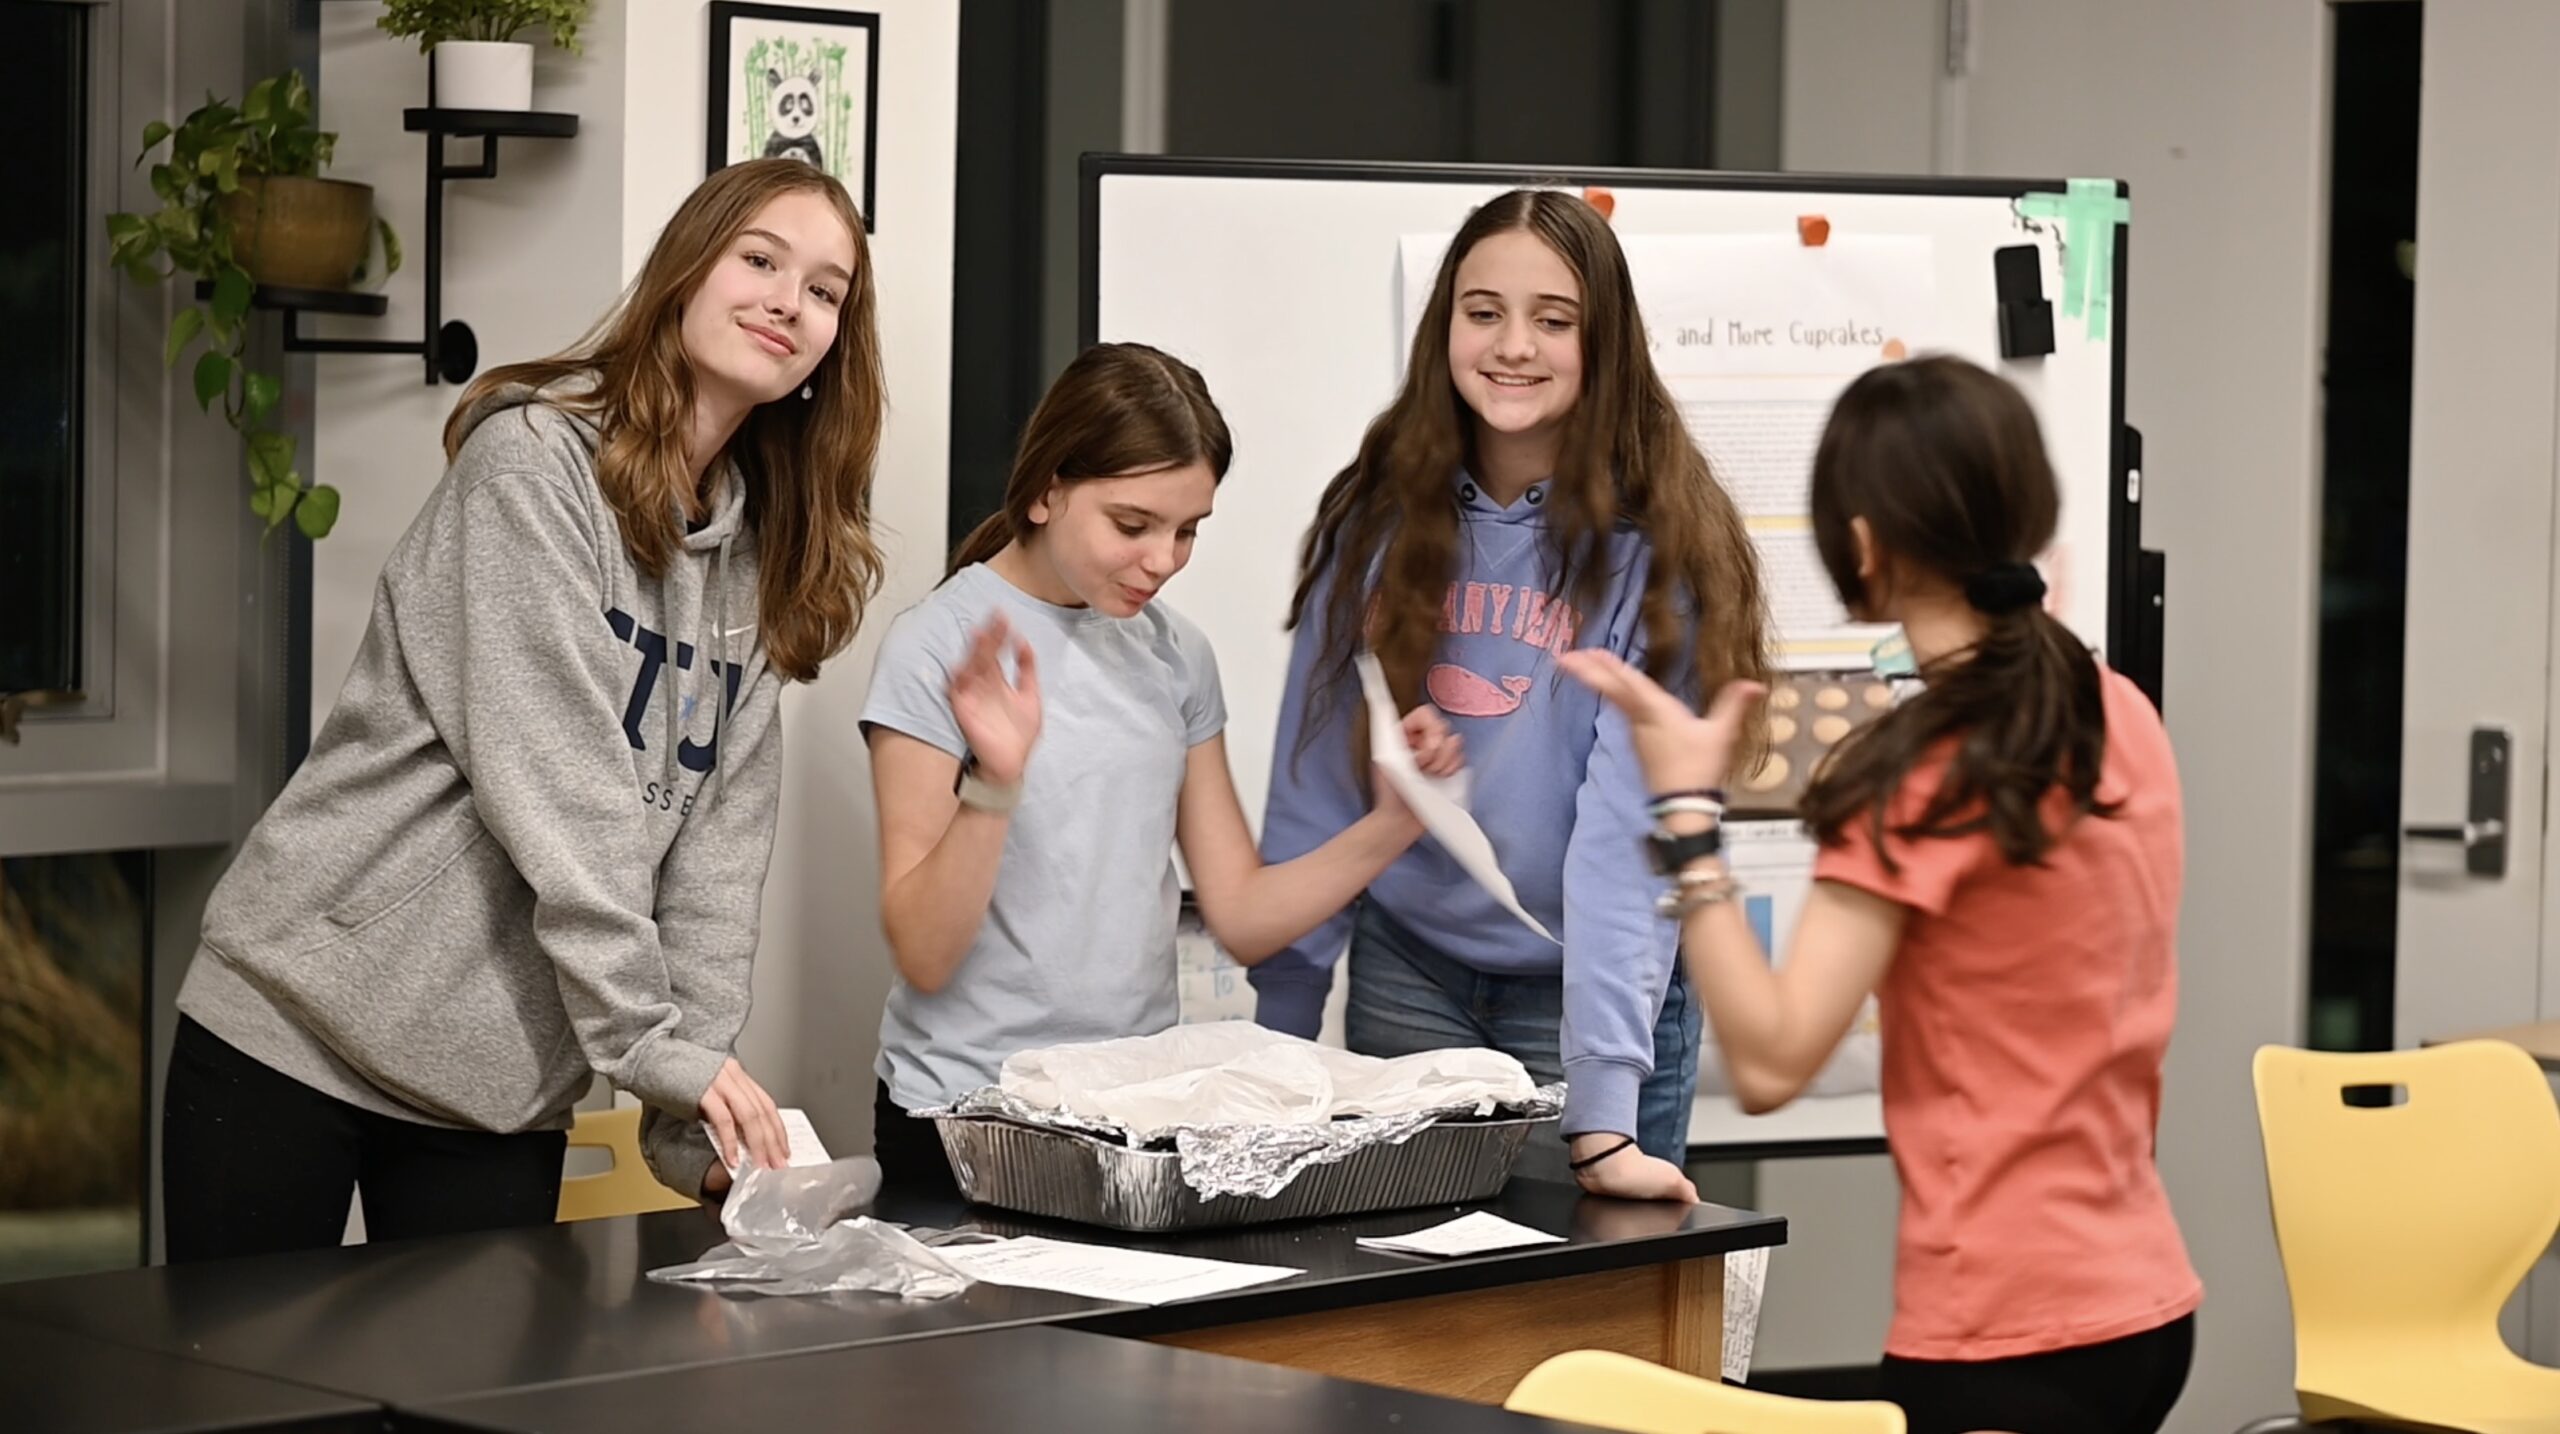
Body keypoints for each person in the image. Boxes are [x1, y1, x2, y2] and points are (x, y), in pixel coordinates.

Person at [162, 158, 886, 1259]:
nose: (790, 302)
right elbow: (561, 792)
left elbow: (715, 869)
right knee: (234, 1370)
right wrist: (649, 1047)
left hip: (500, 1089)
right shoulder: (531, 471)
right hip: (299, 1027)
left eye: (825, 291)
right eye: (760, 260)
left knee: (481, 1375)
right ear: (687, 270)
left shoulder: (758, 564)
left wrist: (687, 1110)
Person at [1561, 355, 2198, 1434]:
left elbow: (1770, 1062)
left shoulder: (1925, 770)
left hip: (2005, 1333)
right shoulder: (2114, 708)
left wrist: (1686, 818)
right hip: (2145, 1310)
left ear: (1862, 545)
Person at [1254, 188, 1770, 1198]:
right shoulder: (1374, 519)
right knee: (1407, 1292)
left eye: (1554, 319)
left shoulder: (1657, 547)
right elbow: (1315, 775)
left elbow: (1627, 832)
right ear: (1445, 324)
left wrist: (1602, 1114)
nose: (1513, 346)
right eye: (1483, 311)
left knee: (1587, 1293)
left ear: (1603, 341)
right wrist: (1281, 1031)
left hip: (1587, 999)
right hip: (1409, 972)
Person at [861, 342, 1459, 1191]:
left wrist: (1396, 822)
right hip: (966, 1122)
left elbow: (1242, 915)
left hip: (1132, 1120)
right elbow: (925, 955)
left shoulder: (1177, 655)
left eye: (1188, 530)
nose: (1164, 560)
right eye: (1133, 525)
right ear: (1046, 491)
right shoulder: (937, 646)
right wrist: (994, 782)